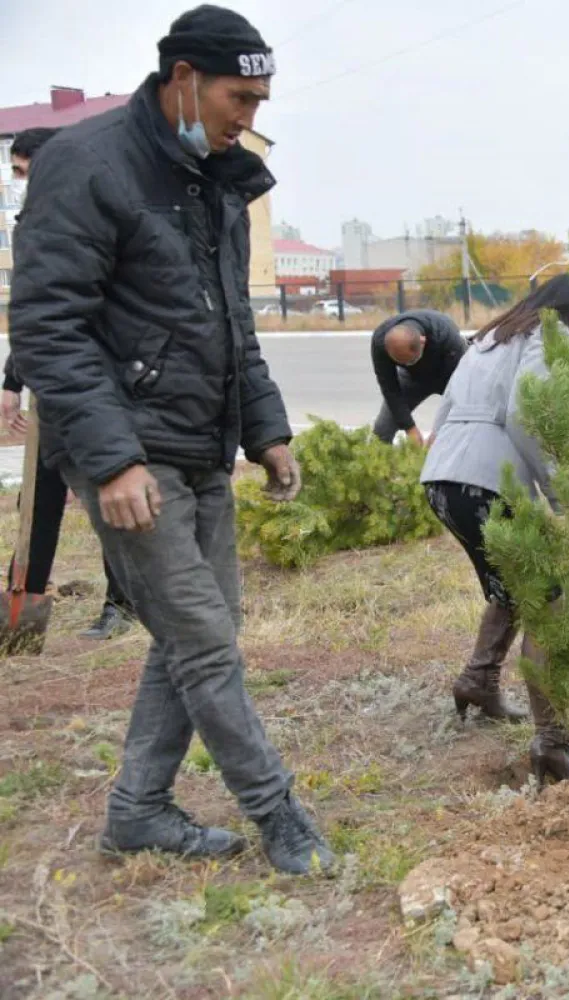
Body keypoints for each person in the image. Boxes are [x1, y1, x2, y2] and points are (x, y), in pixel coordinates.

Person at [8, 4, 333, 876]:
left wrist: (266, 430)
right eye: (239, 96)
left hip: (200, 444)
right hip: (129, 455)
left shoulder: (216, 177)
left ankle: (139, 810)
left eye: (261, 101)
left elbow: (235, 323)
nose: (249, 116)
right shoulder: (86, 163)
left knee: (203, 631)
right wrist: (111, 459)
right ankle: (280, 817)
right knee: (203, 639)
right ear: (183, 79)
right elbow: (47, 326)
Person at [420, 275, 569, 782]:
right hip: (486, 482)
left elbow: (445, 410)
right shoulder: (543, 337)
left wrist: (443, 467)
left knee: (511, 585)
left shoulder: (491, 337)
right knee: (545, 601)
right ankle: (553, 743)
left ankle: (479, 679)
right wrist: (560, 493)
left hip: (444, 479)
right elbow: (524, 415)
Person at [2, 126, 136, 640]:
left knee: (109, 494)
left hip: (97, 388)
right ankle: (23, 600)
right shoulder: (34, 222)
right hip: (51, 387)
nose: (17, 182)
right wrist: (13, 380)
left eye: (20, 170)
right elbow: (37, 310)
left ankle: (122, 604)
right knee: (36, 497)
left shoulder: (93, 217)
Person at [370, 309, 467, 445]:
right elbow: (389, 388)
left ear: (423, 341)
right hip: (412, 378)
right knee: (382, 430)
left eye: (410, 361)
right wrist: (409, 428)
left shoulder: (446, 337)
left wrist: (438, 432)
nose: (405, 364)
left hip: (449, 375)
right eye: (399, 363)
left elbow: (462, 389)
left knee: (463, 427)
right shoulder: (380, 341)